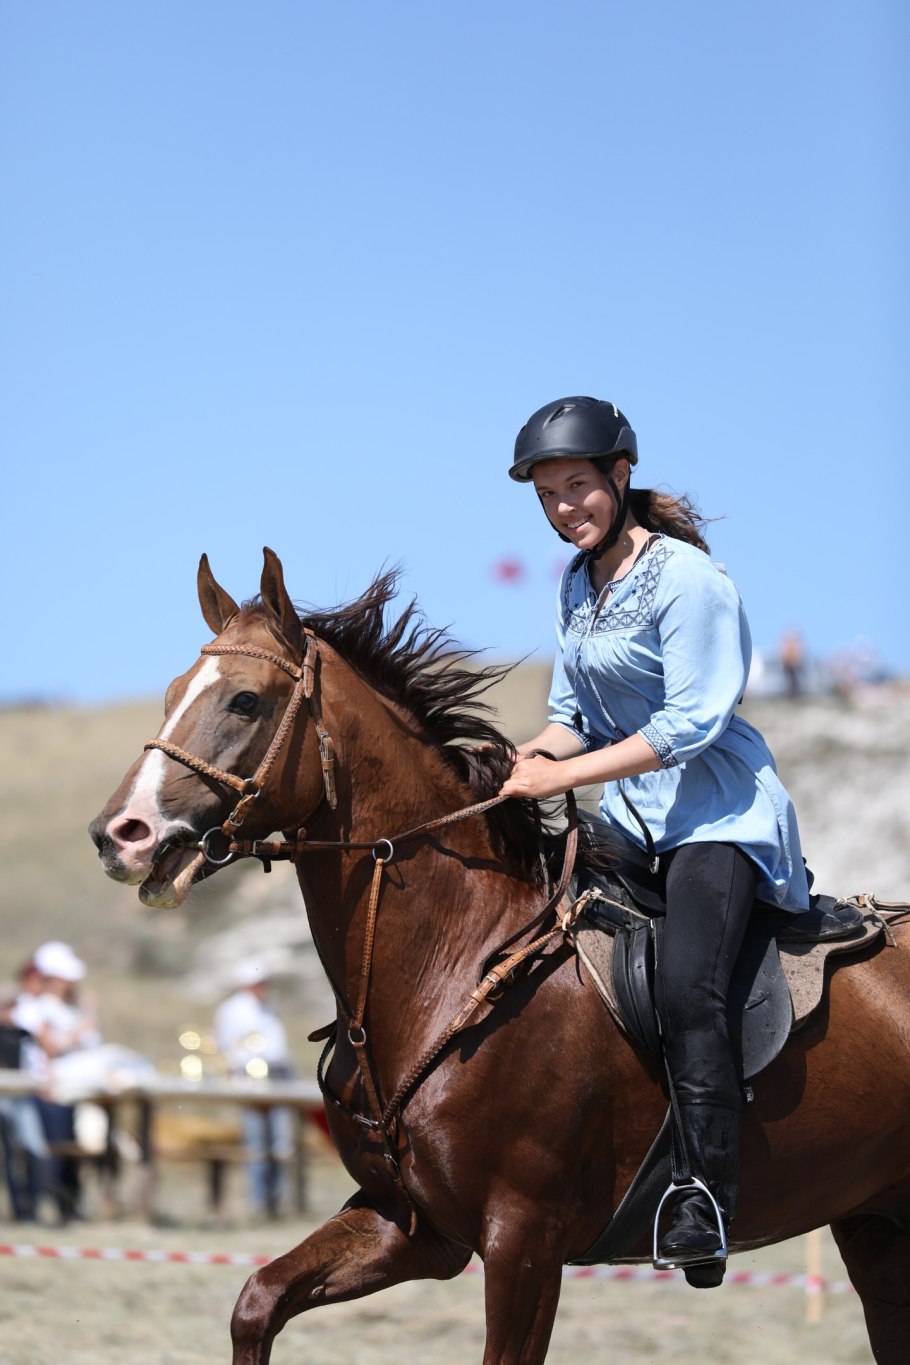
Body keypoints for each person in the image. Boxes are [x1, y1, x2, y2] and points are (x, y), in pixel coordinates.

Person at [500, 395, 815, 1282]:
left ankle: (706, 1196)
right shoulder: (574, 583)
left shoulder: (688, 581)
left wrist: (564, 775)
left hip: (716, 817)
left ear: (620, 477)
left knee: (685, 983)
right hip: (631, 819)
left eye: (579, 487)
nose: (567, 508)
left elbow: (692, 721)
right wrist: (520, 759)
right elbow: (570, 718)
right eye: (551, 496)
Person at [16, 941, 101, 1222]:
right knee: (47, 1153)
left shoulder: (66, 1010)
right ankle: (38, 1210)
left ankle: (68, 1209)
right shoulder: (33, 1007)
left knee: (69, 1153)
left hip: (72, 1089)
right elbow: (49, 1048)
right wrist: (81, 1028)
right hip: (46, 1090)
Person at [214, 960, 295, 1218]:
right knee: (258, 1142)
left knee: (280, 1142)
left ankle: (277, 1201)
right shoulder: (232, 1010)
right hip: (251, 1078)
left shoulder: (268, 1010)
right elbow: (229, 1047)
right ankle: (260, 1202)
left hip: (276, 1077)